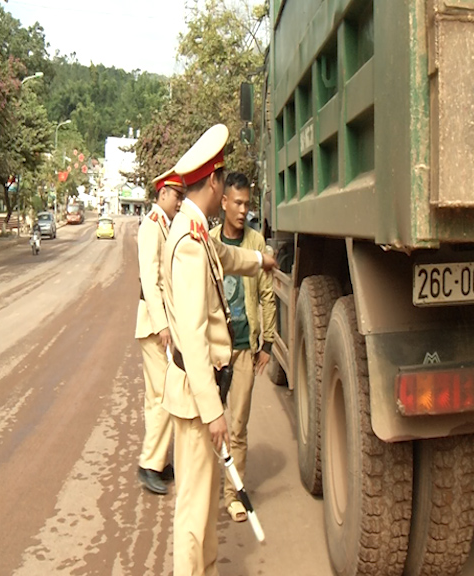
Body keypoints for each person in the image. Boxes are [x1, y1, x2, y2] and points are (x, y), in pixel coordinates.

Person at [161, 123, 277, 576]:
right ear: (213, 182)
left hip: (201, 393)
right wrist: (213, 411)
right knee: (193, 512)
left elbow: (227, 258)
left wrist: (260, 260)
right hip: (196, 398)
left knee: (206, 504)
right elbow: (191, 334)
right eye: (223, 180)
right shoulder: (189, 241)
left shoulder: (197, 230)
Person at [209, 172, 275, 522]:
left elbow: (267, 295)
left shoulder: (256, 242)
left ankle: (233, 494)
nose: (242, 209)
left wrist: (267, 343)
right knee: (210, 421)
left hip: (246, 349)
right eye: (236, 202)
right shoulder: (209, 241)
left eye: (247, 204)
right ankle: (207, 485)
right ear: (223, 202)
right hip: (216, 350)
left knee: (238, 425)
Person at [134, 168, 184, 495]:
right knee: (166, 395)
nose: (180, 202)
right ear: (162, 192)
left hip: (159, 323)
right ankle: (150, 465)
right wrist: (164, 324)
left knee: (157, 396)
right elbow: (149, 281)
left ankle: (157, 462)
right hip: (155, 325)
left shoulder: (164, 225)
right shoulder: (152, 226)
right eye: (177, 195)